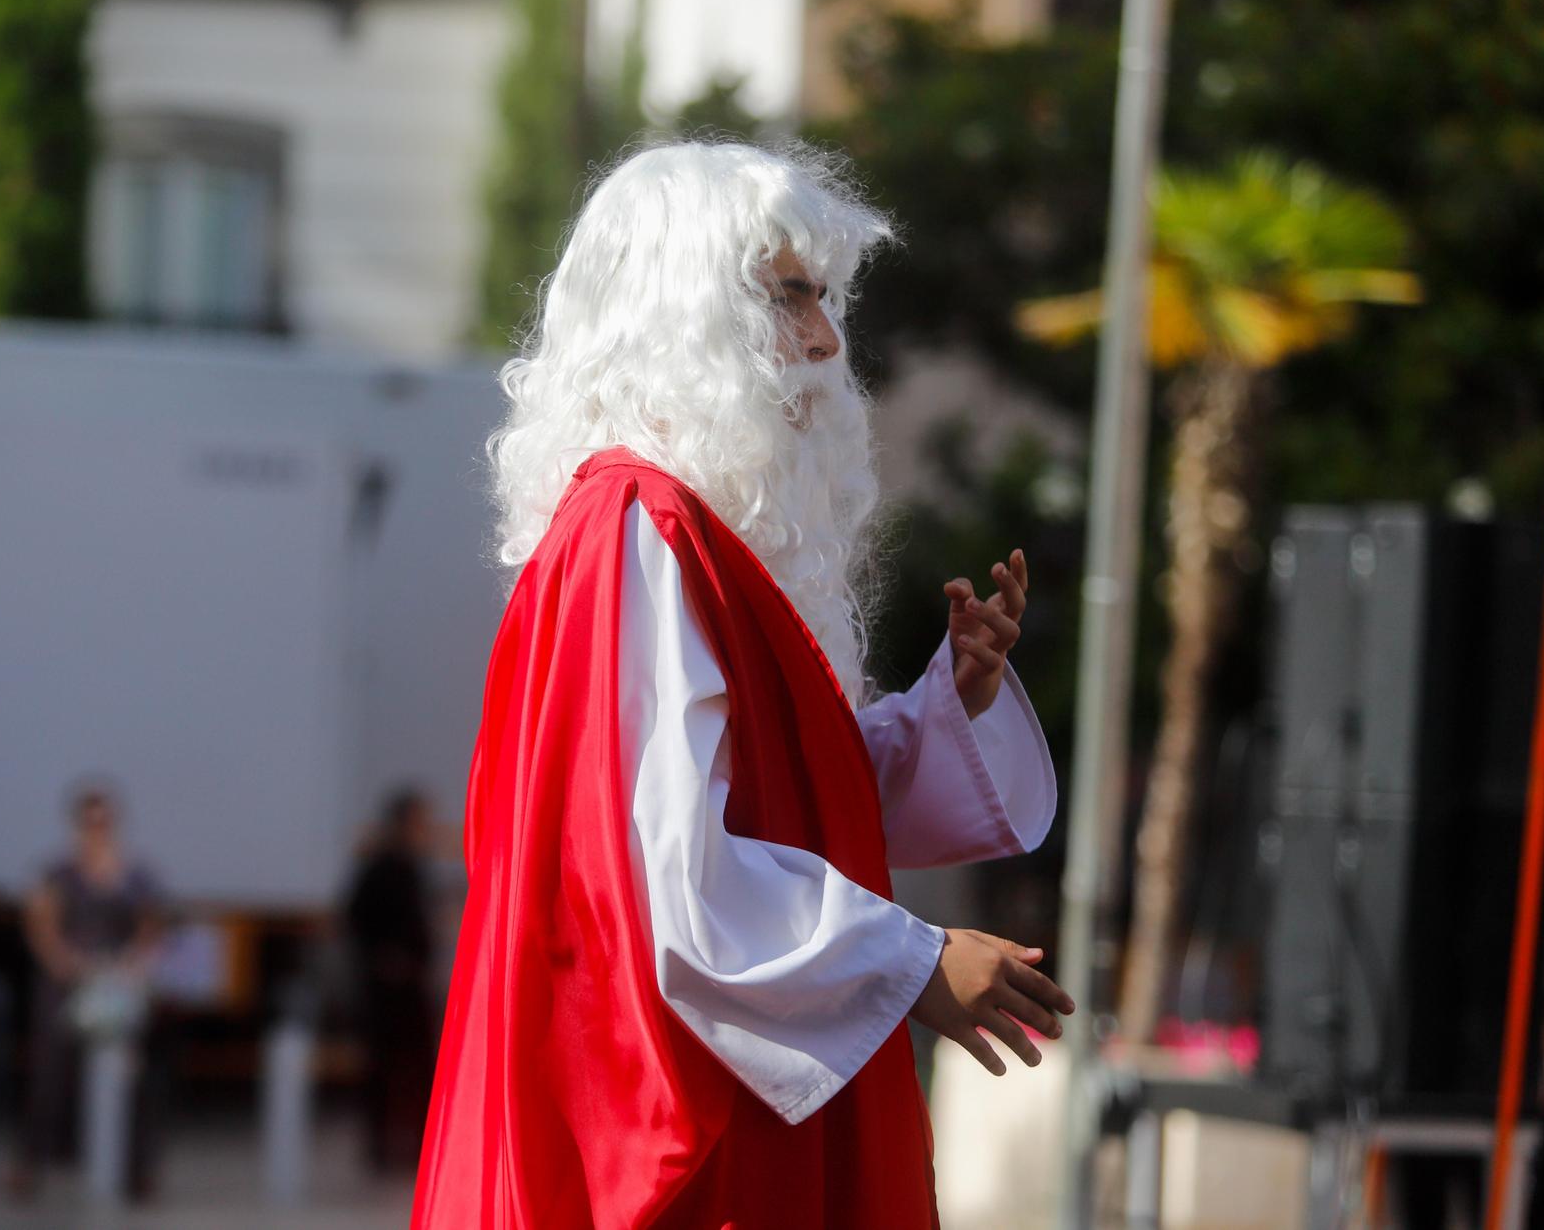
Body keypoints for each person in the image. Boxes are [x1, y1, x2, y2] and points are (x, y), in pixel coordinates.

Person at [414, 140, 1074, 1228]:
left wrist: (943, 699)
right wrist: (912, 961)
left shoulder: (677, 539)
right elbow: (663, 876)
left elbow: (793, 802)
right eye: (788, 298)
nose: (823, 340)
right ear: (683, 314)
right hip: (690, 1137)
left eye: (822, 303)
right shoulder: (638, 530)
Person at [7, 778, 166, 1203]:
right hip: (67, 982)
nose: (97, 830)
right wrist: (64, 962)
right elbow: (40, 923)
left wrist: (130, 965)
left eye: (104, 822)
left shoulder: (134, 873)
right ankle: (31, 1162)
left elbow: (150, 928)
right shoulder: (58, 871)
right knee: (50, 1075)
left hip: (115, 983)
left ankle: (138, 1170)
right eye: (89, 822)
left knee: (131, 1073)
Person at [344, 789, 439, 1173]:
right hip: (384, 991)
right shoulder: (379, 869)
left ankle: (418, 1144)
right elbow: (357, 921)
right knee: (383, 1069)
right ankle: (382, 1148)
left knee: (418, 1068)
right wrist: (384, 959)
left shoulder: (415, 869)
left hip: (412, 988)